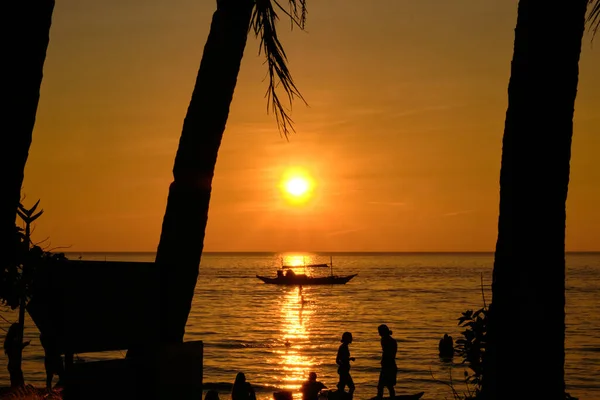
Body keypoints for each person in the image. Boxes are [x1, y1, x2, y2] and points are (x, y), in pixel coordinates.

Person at [3, 323, 30, 387]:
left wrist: (23, 345)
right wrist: (22, 345)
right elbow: (16, 349)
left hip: (12, 366)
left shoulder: (9, 341)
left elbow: (17, 349)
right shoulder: (14, 342)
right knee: (19, 384)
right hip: (14, 366)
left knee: (15, 384)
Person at [376, 324, 397, 399]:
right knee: (387, 385)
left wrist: (384, 362)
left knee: (384, 385)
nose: (379, 334)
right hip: (389, 365)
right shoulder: (387, 340)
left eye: (380, 332)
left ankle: (380, 397)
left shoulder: (387, 340)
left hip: (389, 366)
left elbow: (388, 354)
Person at [336, 332, 355, 398]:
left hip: (344, 371)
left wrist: (349, 359)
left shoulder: (344, 346)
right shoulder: (343, 347)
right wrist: (347, 361)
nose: (351, 339)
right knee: (352, 387)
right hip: (344, 371)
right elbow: (339, 360)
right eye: (350, 337)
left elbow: (339, 360)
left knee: (341, 388)